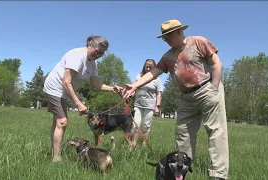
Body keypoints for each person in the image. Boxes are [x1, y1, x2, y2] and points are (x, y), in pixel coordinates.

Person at [122, 19, 229, 180]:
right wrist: (135, 85)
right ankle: (181, 171)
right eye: (163, 37)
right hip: (186, 97)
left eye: (167, 36)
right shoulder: (168, 56)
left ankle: (218, 174)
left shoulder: (198, 42)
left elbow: (216, 62)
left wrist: (214, 87)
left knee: (216, 130)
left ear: (179, 31)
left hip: (207, 89)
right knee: (183, 133)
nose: (165, 40)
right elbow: (154, 72)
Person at [43, 35, 123, 162]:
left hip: (65, 91)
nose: (98, 55)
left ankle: (54, 151)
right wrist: (78, 103)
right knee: (62, 121)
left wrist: (113, 88)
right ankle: (56, 158)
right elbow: (66, 82)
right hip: (55, 88)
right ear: (90, 45)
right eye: (97, 51)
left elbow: (96, 83)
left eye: (101, 54)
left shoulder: (93, 64)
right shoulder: (77, 56)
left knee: (57, 121)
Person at [131, 59, 163, 147]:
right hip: (138, 104)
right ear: (144, 67)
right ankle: (133, 144)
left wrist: (157, 106)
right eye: (147, 67)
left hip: (150, 106)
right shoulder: (138, 76)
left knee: (146, 125)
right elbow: (133, 88)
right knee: (135, 125)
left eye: (150, 67)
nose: (148, 69)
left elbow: (158, 94)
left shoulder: (157, 79)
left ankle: (144, 144)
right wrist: (130, 93)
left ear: (154, 68)